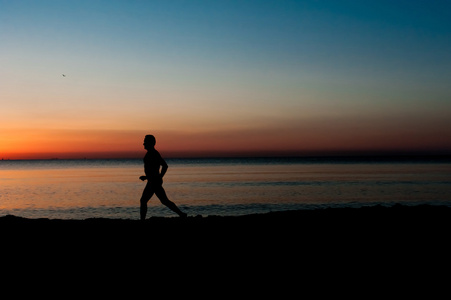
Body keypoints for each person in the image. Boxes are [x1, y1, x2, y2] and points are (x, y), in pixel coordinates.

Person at [139, 135, 187, 221]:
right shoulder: (151, 153)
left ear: (150, 143)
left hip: (153, 182)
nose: (143, 143)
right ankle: (182, 214)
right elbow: (153, 170)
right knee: (164, 201)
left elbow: (164, 166)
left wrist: (159, 177)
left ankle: (142, 220)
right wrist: (147, 177)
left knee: (143, 200)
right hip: (152, 181)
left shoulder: (154, 153)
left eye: (145, 141)